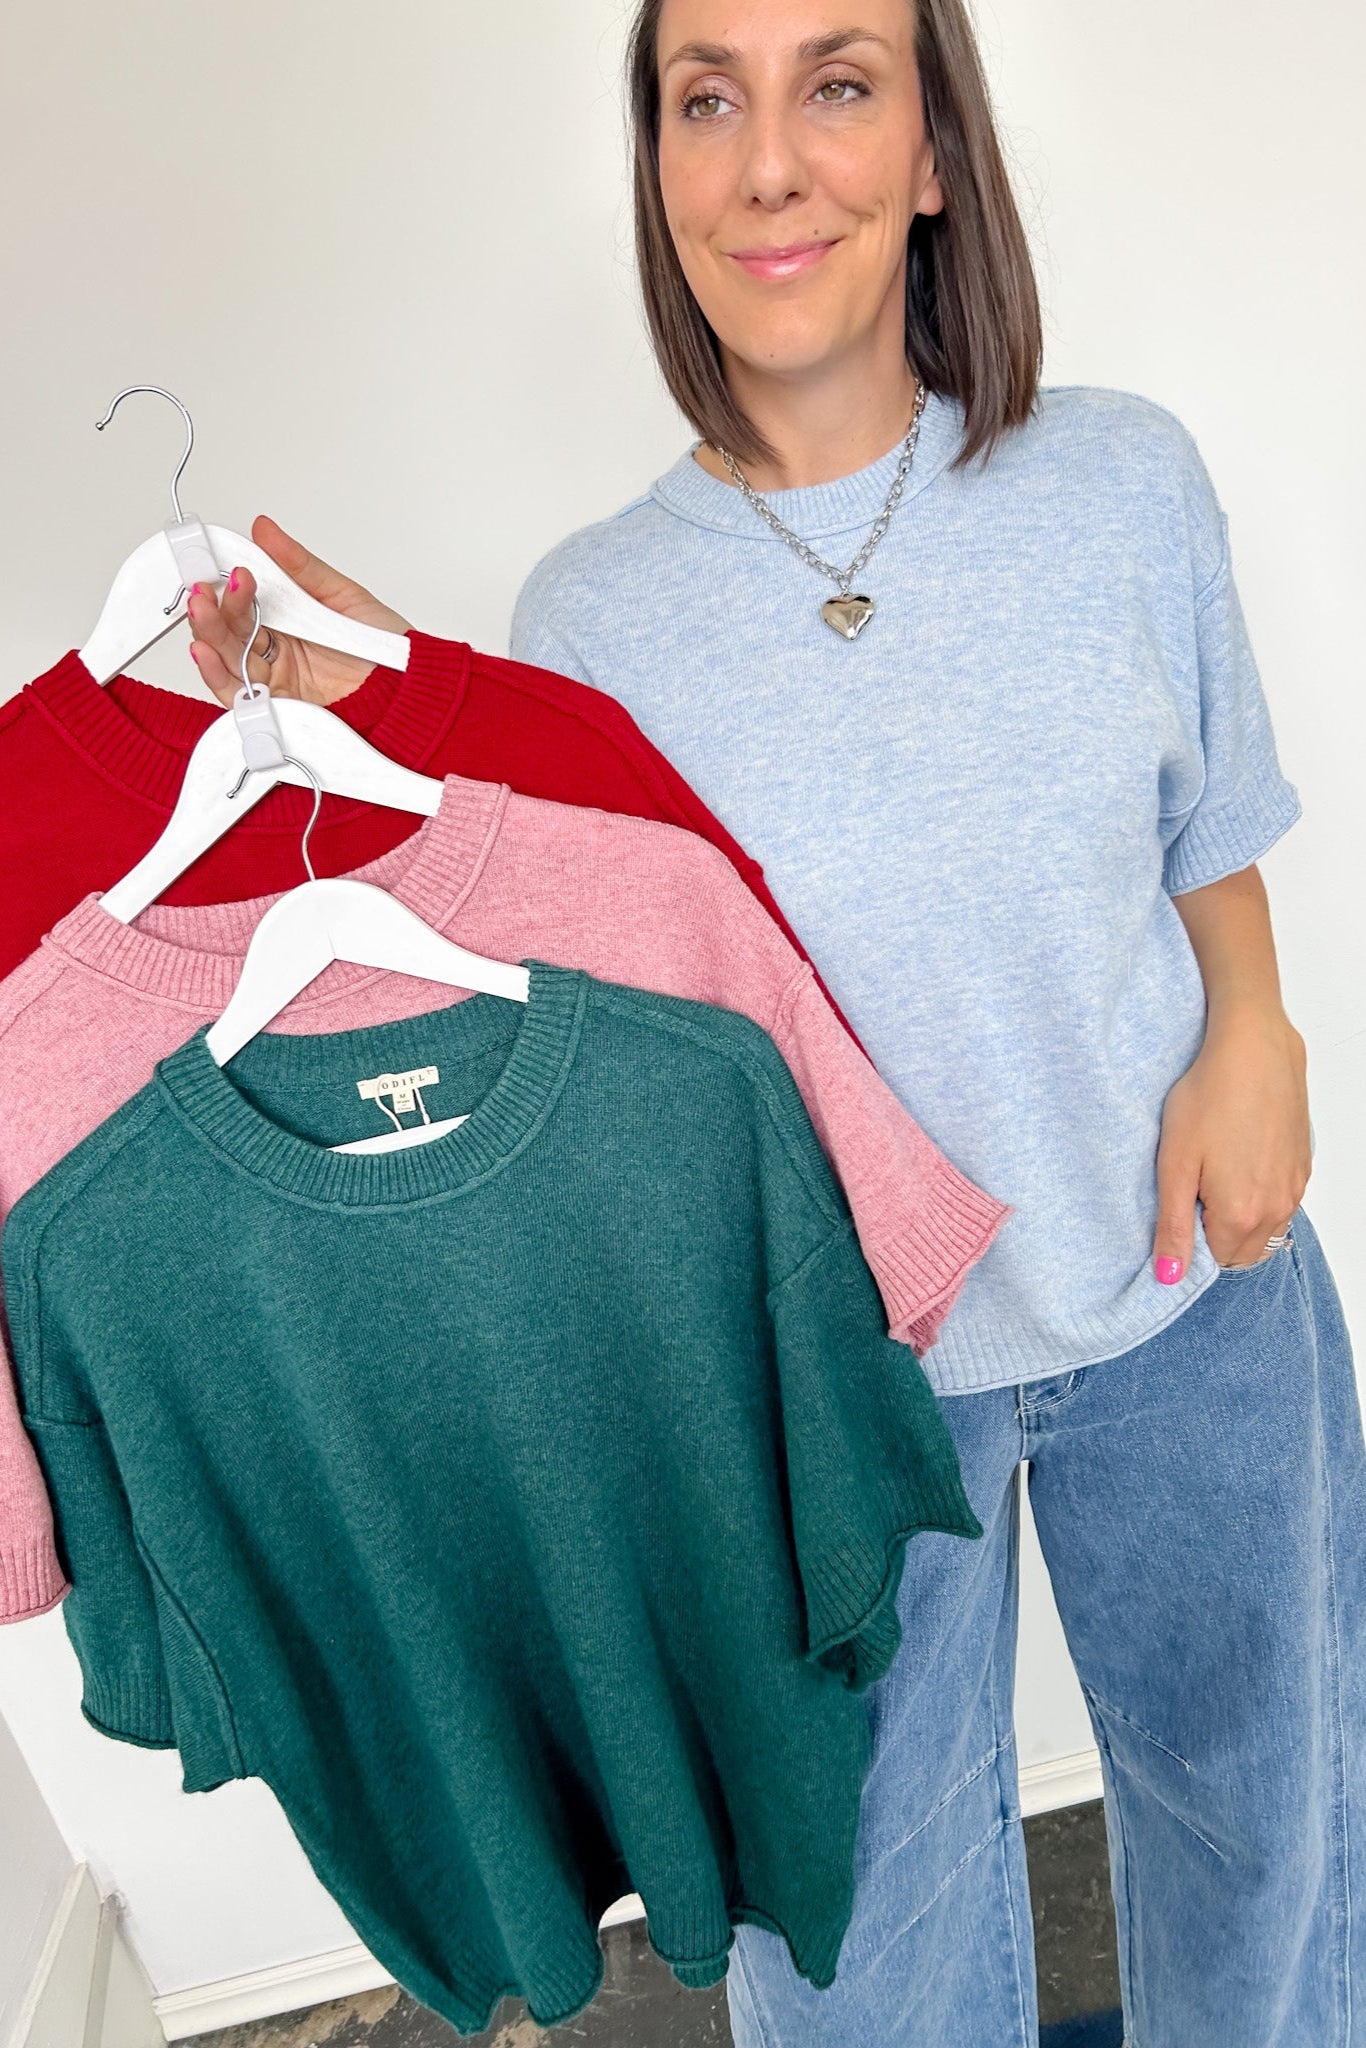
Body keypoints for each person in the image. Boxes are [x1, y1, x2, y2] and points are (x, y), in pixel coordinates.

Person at [185, 2, 1363, 2040]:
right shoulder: (588, 621)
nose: (765, 161)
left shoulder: (1120, 478)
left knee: (1270, 1842)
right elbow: (598, 1017)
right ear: (657, 172)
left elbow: (1208, 831)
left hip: (1190, 1298)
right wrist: (411, 717)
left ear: (930, 152)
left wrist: (1253, 1027)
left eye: (835, 83)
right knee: (856, 1957)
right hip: (828, 1398)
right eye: (702, 99)